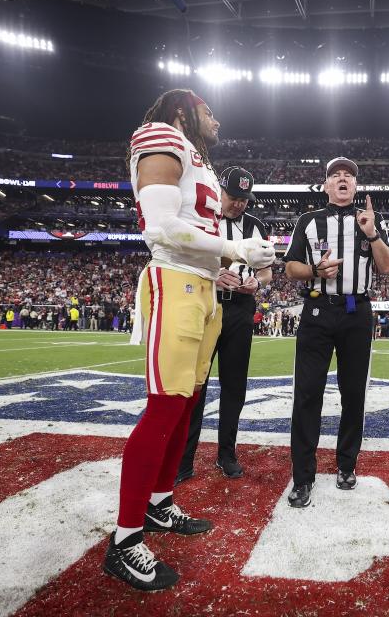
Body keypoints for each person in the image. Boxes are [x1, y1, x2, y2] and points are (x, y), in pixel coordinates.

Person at [103, 89, 275, 592]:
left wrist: (237, 262)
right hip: (173, 281)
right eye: (209, 109)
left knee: (186, 403)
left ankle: (158, 504)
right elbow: (160, 226)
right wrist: (232, 246)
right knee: (164, 406)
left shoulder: (199, 157)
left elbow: (199, 228)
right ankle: (125, 538)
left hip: (204, 288)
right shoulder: (160, 135)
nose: (216, 118)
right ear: (183, 110)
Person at [282, 157, 389, 508]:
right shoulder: (308, 220)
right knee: (307, 394)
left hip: (356, 313)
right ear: (326, 185)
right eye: (336, 176)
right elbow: (289, 268)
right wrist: (316, 269)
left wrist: (372, 232)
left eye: (349, 176)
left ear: (356, 187)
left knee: (353, 393)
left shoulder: (369, 221)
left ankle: (347, 465)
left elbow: (387, 267)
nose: (343, 179)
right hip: (317, 311)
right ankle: (302, 476)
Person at [178, 166, 272, 482]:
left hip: (241, 309)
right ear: (221, 191)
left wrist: (255, 285)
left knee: (234, 384)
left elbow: (266, 271)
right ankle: (184, 458)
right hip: (207, 304)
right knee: (196, 384)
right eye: (234, 197)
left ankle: (226, 453)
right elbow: (187, 258)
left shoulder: (256, 226)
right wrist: (213, 275)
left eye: (244, 199)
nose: (239, 204)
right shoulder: (205, 219)